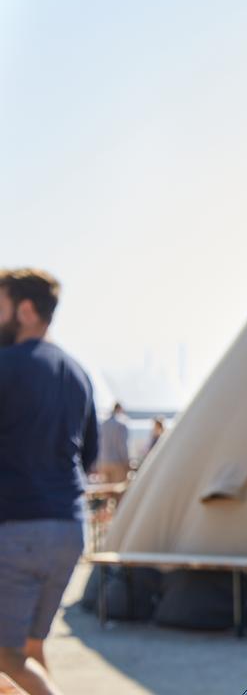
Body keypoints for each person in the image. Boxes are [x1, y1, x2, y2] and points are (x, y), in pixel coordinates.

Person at [0, 269, 98, 695]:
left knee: (6, 659)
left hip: (18, 531)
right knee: (30, 649)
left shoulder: (6, 366)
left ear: (24, 310)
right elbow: (88, 456)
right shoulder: (78, 373)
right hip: (68, 527)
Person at [95, 403, 130, 483]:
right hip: (117, 462)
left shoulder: (103, 424)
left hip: (103, 462)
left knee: (106, 488)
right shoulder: (121, 424)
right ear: (120, 409)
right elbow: (122, 445)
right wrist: (126, 461)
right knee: (118, 488)